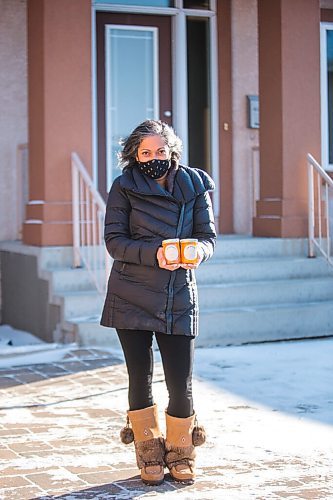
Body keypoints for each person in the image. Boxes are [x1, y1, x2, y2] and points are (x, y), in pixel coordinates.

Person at [101, 120, 216, 486]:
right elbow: (114, 242)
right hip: (130, 291)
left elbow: (208, 237)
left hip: (177, 293)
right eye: (146, 153)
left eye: (160, 152)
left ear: (172, 152)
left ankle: (182, 450)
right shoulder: (123, 187)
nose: (154, 159)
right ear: (134, 155)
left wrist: (199, 249)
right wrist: (156, 253)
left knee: (181, 381)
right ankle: (148, 450)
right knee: (140, 377)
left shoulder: (196, 185)